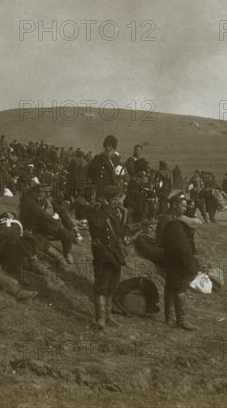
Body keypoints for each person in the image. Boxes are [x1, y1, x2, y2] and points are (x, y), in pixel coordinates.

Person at [87, 183, 128, 331]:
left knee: (112, 285)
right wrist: (106, 207)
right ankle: (100, 318)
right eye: (113, 199)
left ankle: (109, 316)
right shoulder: (96, 209)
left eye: (117, 198)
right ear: (105, 198)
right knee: (102, 286)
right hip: (102, 252)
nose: (116, 201)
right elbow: (97, 224)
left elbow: (121, 230)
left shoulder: (118, 211)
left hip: (115, 252)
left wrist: (126, 237)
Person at [158, 193, 198, 331]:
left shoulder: (168, 218)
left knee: (170, 286)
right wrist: (189, 263)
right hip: (177, 258)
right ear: (174, 205)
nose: (185, 209)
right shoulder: (172, 220)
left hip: (171, 257)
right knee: (179, 287)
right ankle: (181, 320)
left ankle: (169, 318)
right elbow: (180, 244)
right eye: (182, 205)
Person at [19, 184, 74, 269]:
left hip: (47, 227)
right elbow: (41, 214)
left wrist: (71, 226)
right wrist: (55, 221)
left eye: (49, 192)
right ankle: (59, 258)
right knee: (43, 242)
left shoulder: (46, 199)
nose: (47, 194)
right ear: (36, 191)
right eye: (44, 192)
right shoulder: (28, 201)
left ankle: (67, 252)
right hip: (33, 229)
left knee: (67, 234)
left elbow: (60, 212)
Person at [87, 135, 118, 199]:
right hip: (99, 187)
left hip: (111, 189)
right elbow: (90, 171)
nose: (107, 148)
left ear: (113, 148)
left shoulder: (116, 159)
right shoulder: (98, 158)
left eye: (110, 146)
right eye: (106, 146)